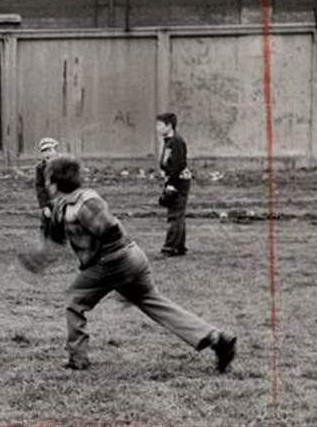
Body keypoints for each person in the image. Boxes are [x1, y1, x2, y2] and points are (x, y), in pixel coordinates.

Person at [36, 154, 236, 373]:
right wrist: (38, 257)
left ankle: (77, 360)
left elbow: (110, 231)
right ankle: (217, 339)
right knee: (153, 302)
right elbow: (55, 238)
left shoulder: (84, 203)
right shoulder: (64, 206)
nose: (46, 184)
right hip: (130, 260)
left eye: (47, 179)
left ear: (54, 183)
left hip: (115, 261)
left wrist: (108, 271)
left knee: (75, 302)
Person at [156, 112, 191, 256]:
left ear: (169, 126)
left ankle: (170, 248)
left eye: (159, 125)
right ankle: (179, 247)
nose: (157, 128)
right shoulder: (169, 140)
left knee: (174, 215)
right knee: (178, 214)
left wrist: (171, 183)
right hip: (175, 179)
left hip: (178, 181)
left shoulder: (176, 141)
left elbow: (178, 164)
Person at [34, 137, 60, 237]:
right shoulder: (40, 168)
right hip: (50, 200)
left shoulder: (65, 164)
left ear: (55, 150)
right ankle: (44, 245)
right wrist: (44, 206)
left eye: (50, 150)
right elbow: (39, 187)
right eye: (44, 151)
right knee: (46, 219)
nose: (47, 154)